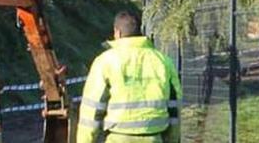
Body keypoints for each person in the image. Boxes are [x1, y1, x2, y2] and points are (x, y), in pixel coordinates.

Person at [77, 11, 182, 143]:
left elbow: (91, 109)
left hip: (117, 137)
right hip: (154, 137)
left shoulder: (105, 61)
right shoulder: (164, 62)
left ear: (117, 32)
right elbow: (174, 107)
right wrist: (172, 139)